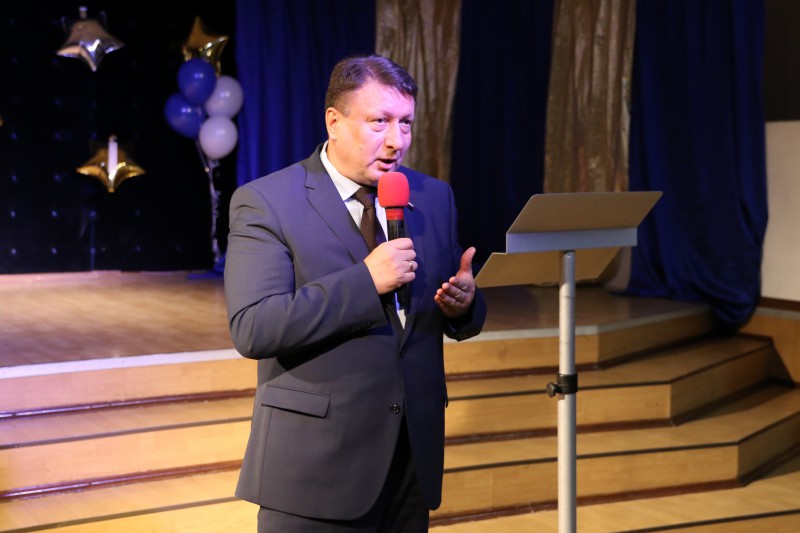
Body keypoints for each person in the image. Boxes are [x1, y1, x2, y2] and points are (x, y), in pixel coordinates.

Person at [224, 54, 487, 532]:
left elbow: (435, 315)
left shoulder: (433, 197)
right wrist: (365, 281)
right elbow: (255, 327)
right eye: (379, 122)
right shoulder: (267, 202)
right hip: (315, 469)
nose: (396, 140)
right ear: (335, 122)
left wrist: (464, 305)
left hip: (410, 460)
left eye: (406, 123)